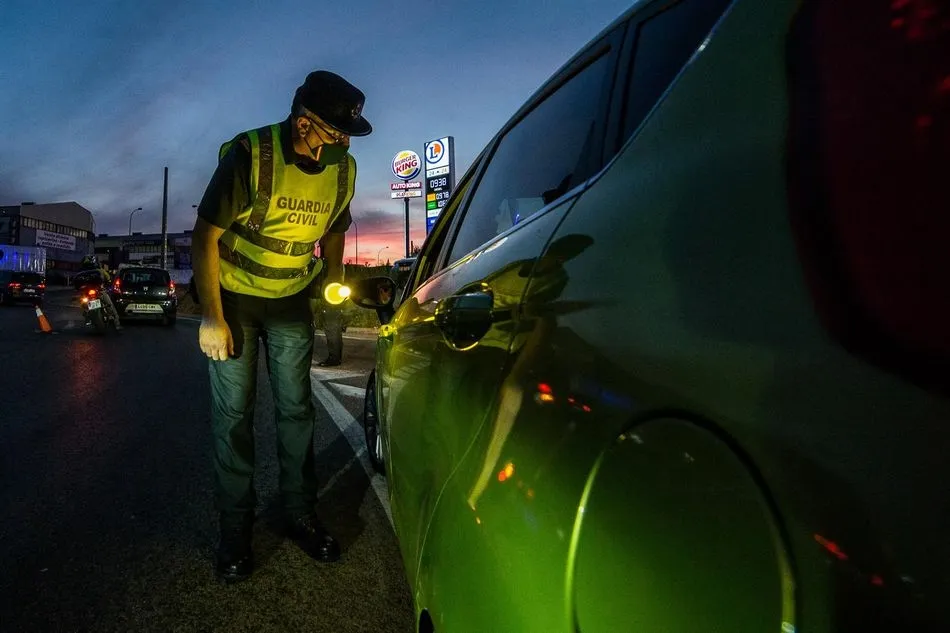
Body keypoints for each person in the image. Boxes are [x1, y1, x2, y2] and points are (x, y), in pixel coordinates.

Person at [190, 70, 371, 583]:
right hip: (235, 299)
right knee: (234, 417)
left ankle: (300, 513)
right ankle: (235, 532)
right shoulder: (251, 154)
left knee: (297, 411)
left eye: (348, 136)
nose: (343, 145)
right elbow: (204, 235)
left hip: (290, 300)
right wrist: (211, 317)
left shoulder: (343, 169)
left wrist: (334, 279)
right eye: (336, 133)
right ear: (304, 123)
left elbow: (335, 229)